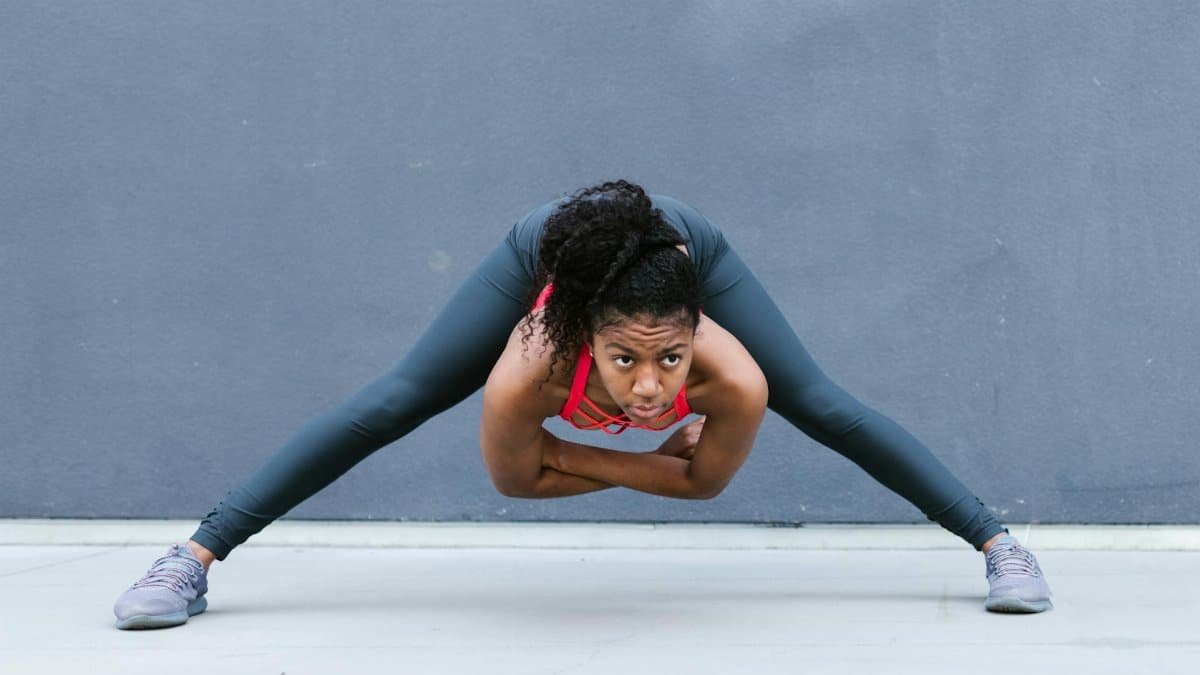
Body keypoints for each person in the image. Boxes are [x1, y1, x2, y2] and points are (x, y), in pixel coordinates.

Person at [113, 180, 1052, 629]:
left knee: (819, 399)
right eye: (623, 364)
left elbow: (706, 487)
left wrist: (585, 452)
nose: (651, 387)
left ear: (699, 328)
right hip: (550, 251)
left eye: (672, 359)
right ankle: (190, 557)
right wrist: (646, 452)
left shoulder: (734, 376)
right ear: (578, 338)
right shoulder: (530, 361)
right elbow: (513, 481)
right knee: (394, 399)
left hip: (681, 246)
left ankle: (994, 539)